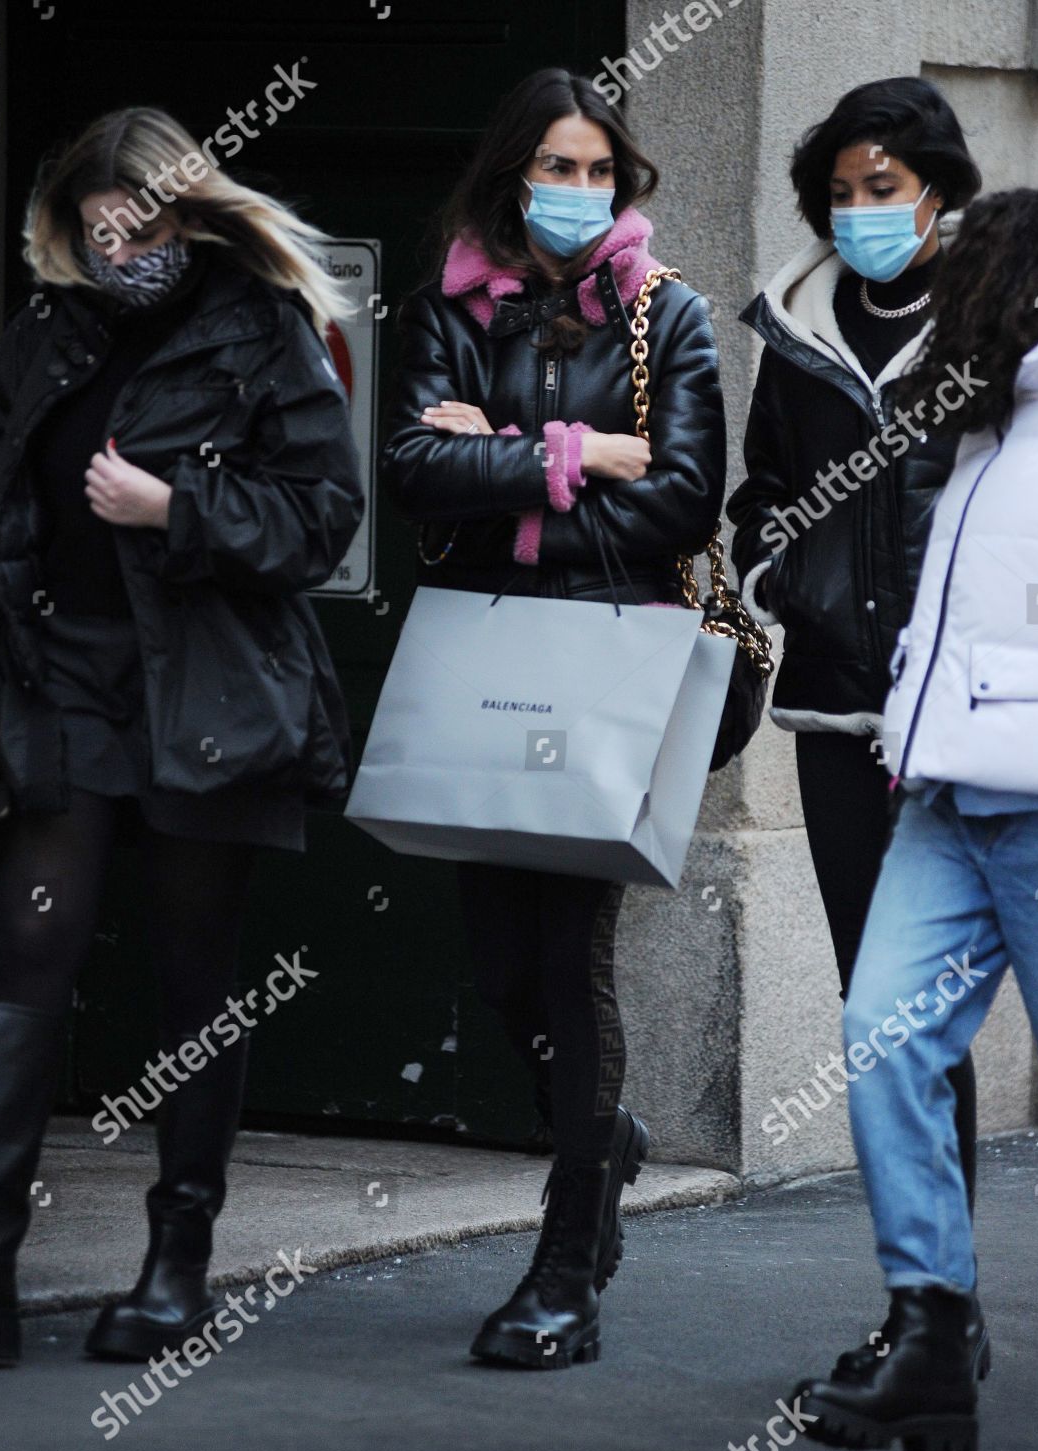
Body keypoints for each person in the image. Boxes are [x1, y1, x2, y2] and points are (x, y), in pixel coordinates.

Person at [0, 107, 364, 1368]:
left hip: (210, 693)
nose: (119, 249)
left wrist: (174, 506)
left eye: (138, 225)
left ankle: (176, 1264)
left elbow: (321, 522)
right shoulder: (47, 332)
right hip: (71, 690)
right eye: (96, 230)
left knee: (194, 980)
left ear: (188, 213)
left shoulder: (262, 331)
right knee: (27, 959)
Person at [380, 67, 725, 1369]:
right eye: (555, 168)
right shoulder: (449, 314)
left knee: (570, 961)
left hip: (609, 669)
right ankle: (607, 1136)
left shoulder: (670, 318)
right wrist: (586, 457)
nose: (577, 192)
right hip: (484, 664)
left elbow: (686, 501)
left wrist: (509, 466)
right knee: (501, 968)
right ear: (512, 174)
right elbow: (412, 467)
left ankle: (568, 1262)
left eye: (598, 171)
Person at [788, 185, 1038, 1451]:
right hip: (944, 804)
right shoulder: (991, 416)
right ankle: (929, 1335)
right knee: (881, 1039)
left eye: (964, 287)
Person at [726, 78, 989, 1355]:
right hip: (839, 716)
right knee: (884, 1018)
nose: (861, 211)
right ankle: (925, 1311)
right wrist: (787, 578)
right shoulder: (797, 329)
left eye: (882, 188)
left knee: (961, 1020)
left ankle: (945, 1310)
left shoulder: (1001, 321)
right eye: (841, 192)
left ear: (938, 188)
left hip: (971, 724)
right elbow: (759, 492)